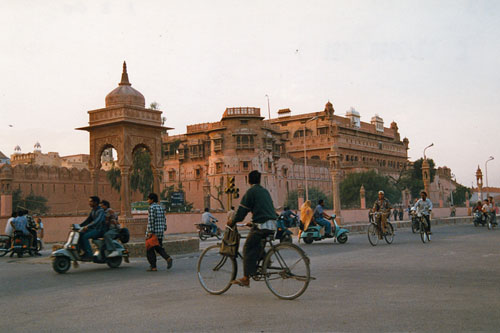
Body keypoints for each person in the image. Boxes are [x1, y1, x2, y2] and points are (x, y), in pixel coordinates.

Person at [228, 170, 278, 287]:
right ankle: (266, 260)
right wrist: (252, 222)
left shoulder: (251, 192)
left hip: (261, 225)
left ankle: (246, 278)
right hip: (272, 225)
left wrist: (232, 221)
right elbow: (263, 209)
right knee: (257, 243)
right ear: (259, 180)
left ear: (248, 180)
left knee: (247, 248)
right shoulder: (265, 191)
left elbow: (241, 213)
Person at [146, 193, 172, 272]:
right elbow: (164, 219)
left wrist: (150, 231)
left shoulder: (151, 208)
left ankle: (153, 266)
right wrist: (164, 227)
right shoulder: (161, 207)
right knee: (158, 247)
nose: (147, 201)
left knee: (149, 249)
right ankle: (167, 258)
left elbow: (151, 220)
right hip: (160, 231)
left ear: (152, 199)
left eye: (148, 199)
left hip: (153, 232)